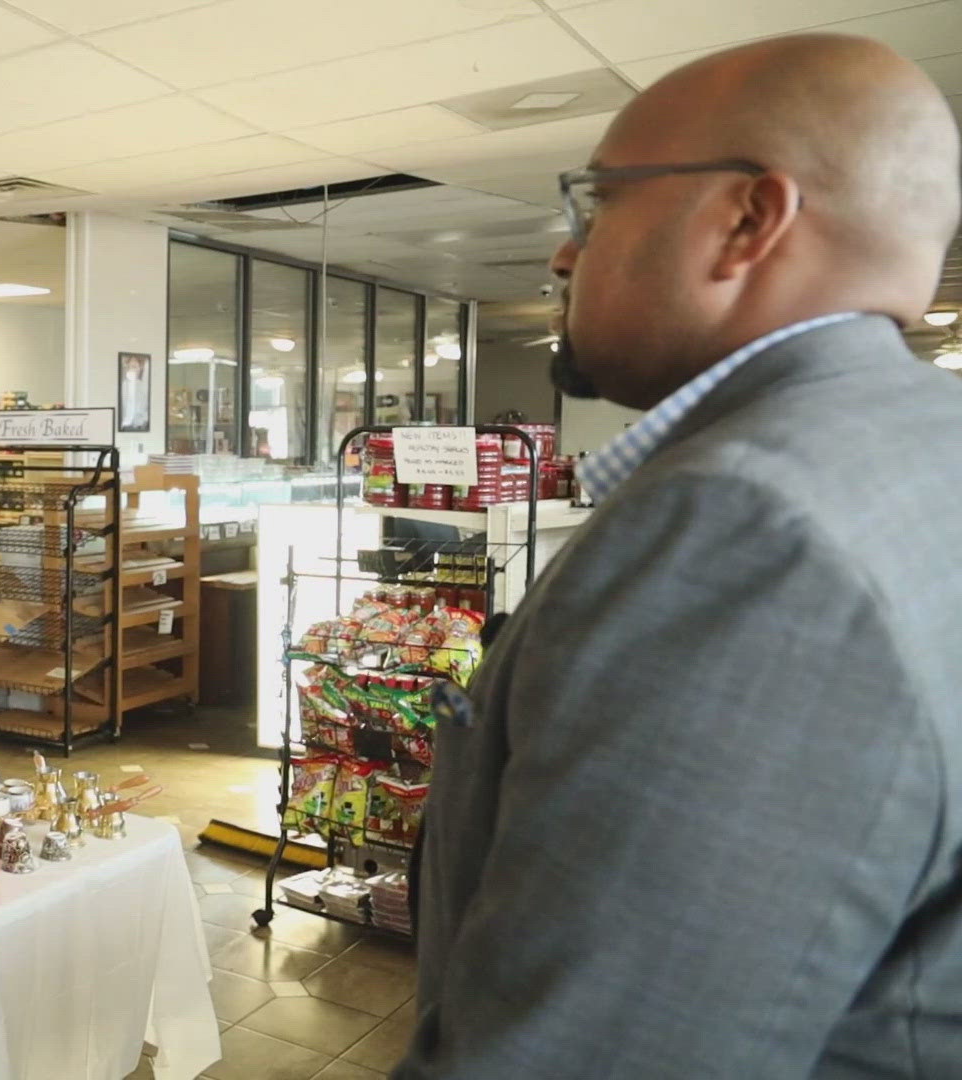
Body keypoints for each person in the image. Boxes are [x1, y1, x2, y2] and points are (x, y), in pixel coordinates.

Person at [402, 34, 962, 1078]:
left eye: (600, 200)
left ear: (749, 220)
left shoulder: (745, 530)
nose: (566, 252)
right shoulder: (924, 445)